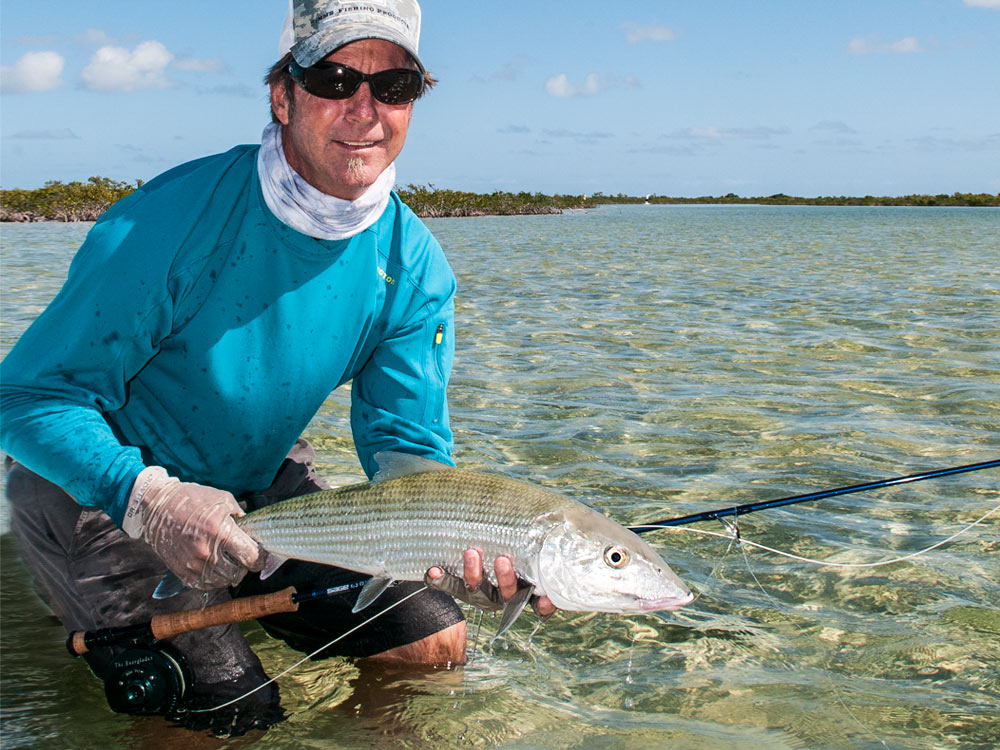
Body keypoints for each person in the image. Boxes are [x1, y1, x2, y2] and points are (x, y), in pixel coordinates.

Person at [1, 0, 551, 736]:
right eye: (334, 79)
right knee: (233, 713)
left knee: (435, 640)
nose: (365, 110)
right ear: (282, 93)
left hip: (262, 479)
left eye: (394, 88)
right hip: (100, 483)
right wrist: (149, 499)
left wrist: (454, 547)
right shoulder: (164, 222)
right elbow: (27, 397)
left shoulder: (414, 264)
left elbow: (408, 454)